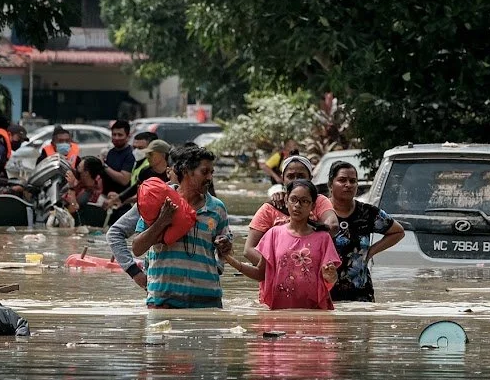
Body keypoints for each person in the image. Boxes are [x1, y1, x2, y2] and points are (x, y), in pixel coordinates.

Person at [130, 145, 233, 309]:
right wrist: (163, 220)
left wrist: (225, 246)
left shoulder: (217, 208)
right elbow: (137, 248)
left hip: (207, 301)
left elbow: (225, 251)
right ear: (186, 171)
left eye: (211, 173)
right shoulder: (159, 200)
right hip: (163, 300)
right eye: (204, 172)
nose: (209, 178)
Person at [222, 179, 340, 310]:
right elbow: (261, 274)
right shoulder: (274, 234)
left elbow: (330, 279)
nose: (297, 205)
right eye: (293, 199)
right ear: (286, 201)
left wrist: (332, 277)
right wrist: (229, 260)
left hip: (314, 312)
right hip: (279, 310)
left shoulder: (323, 238)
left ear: (312, 206)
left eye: (304, 201)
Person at [323, 160, 405, 303]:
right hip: (326, 292)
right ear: (331, 184)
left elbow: (398, 232)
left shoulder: (367, 213)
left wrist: (370, 252)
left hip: (360, 293)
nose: (348, 185)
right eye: (342, 180)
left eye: (353, 181)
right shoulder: (319, 212)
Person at [247, 155, 335, 246]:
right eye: (290, 176)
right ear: (282, 178)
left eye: (301, 176)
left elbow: (333, 225)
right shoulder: (271, 207)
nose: (296, 181)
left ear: (310, 178)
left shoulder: (319, 201)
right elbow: (249, 249)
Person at [102, 119, 136, 194]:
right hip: (106, 197)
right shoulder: (111, 152)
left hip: (121, 199)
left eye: (120, 135)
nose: (116, 138)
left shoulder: (130, 154)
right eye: (114, 134)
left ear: (128, 136)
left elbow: (124, 180)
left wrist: (104, 166)